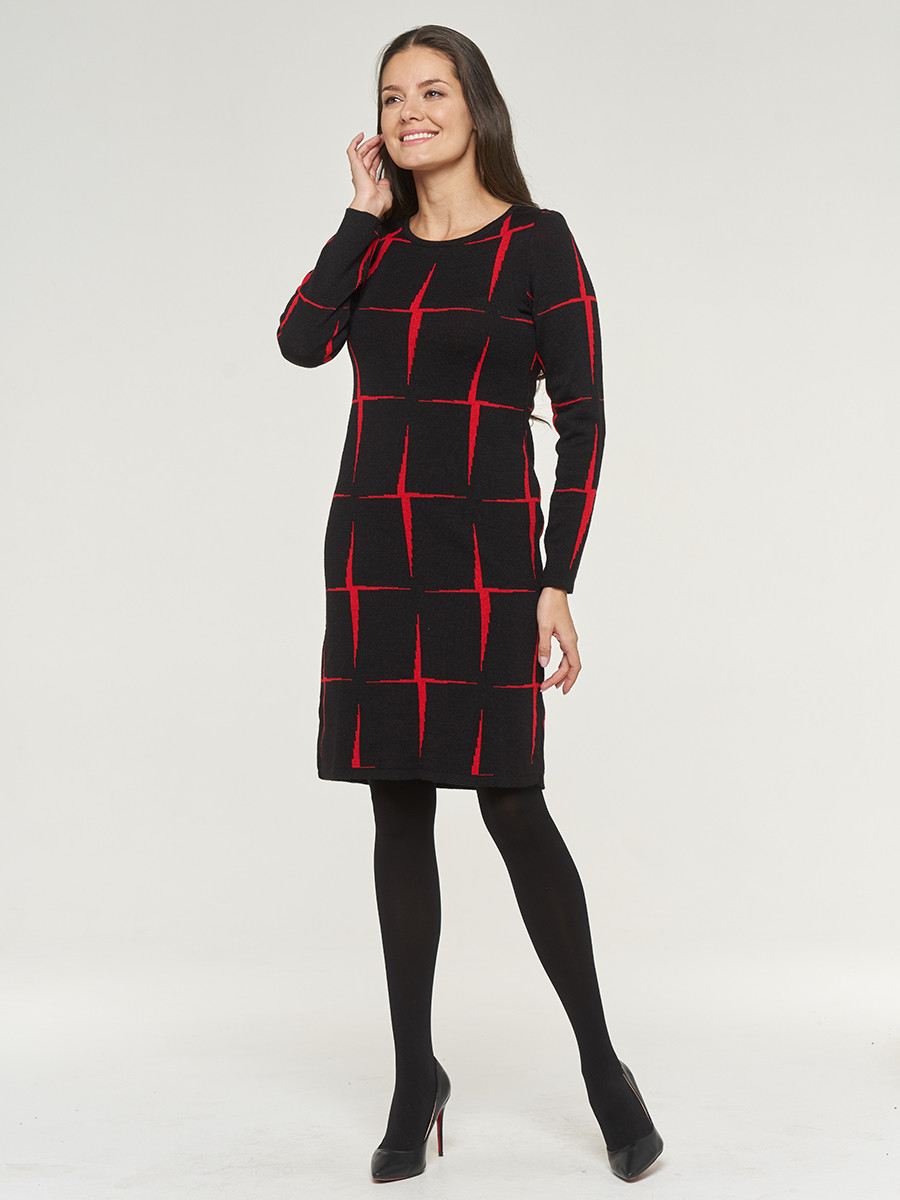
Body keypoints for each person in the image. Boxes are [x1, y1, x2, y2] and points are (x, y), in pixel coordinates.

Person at [277, 23, 663, 1185]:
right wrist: (359, 217)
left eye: (432, 91)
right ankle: (415, 1076)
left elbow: (584, 420)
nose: (410, 112)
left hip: (489, 560)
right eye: (393, 96)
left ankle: (602, 1066)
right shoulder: (375, 251)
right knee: (397, 807)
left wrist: (557, 578)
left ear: (475, 106)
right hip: (374, 555)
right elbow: (299, 342)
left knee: (512, 802)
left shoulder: (538, 244)